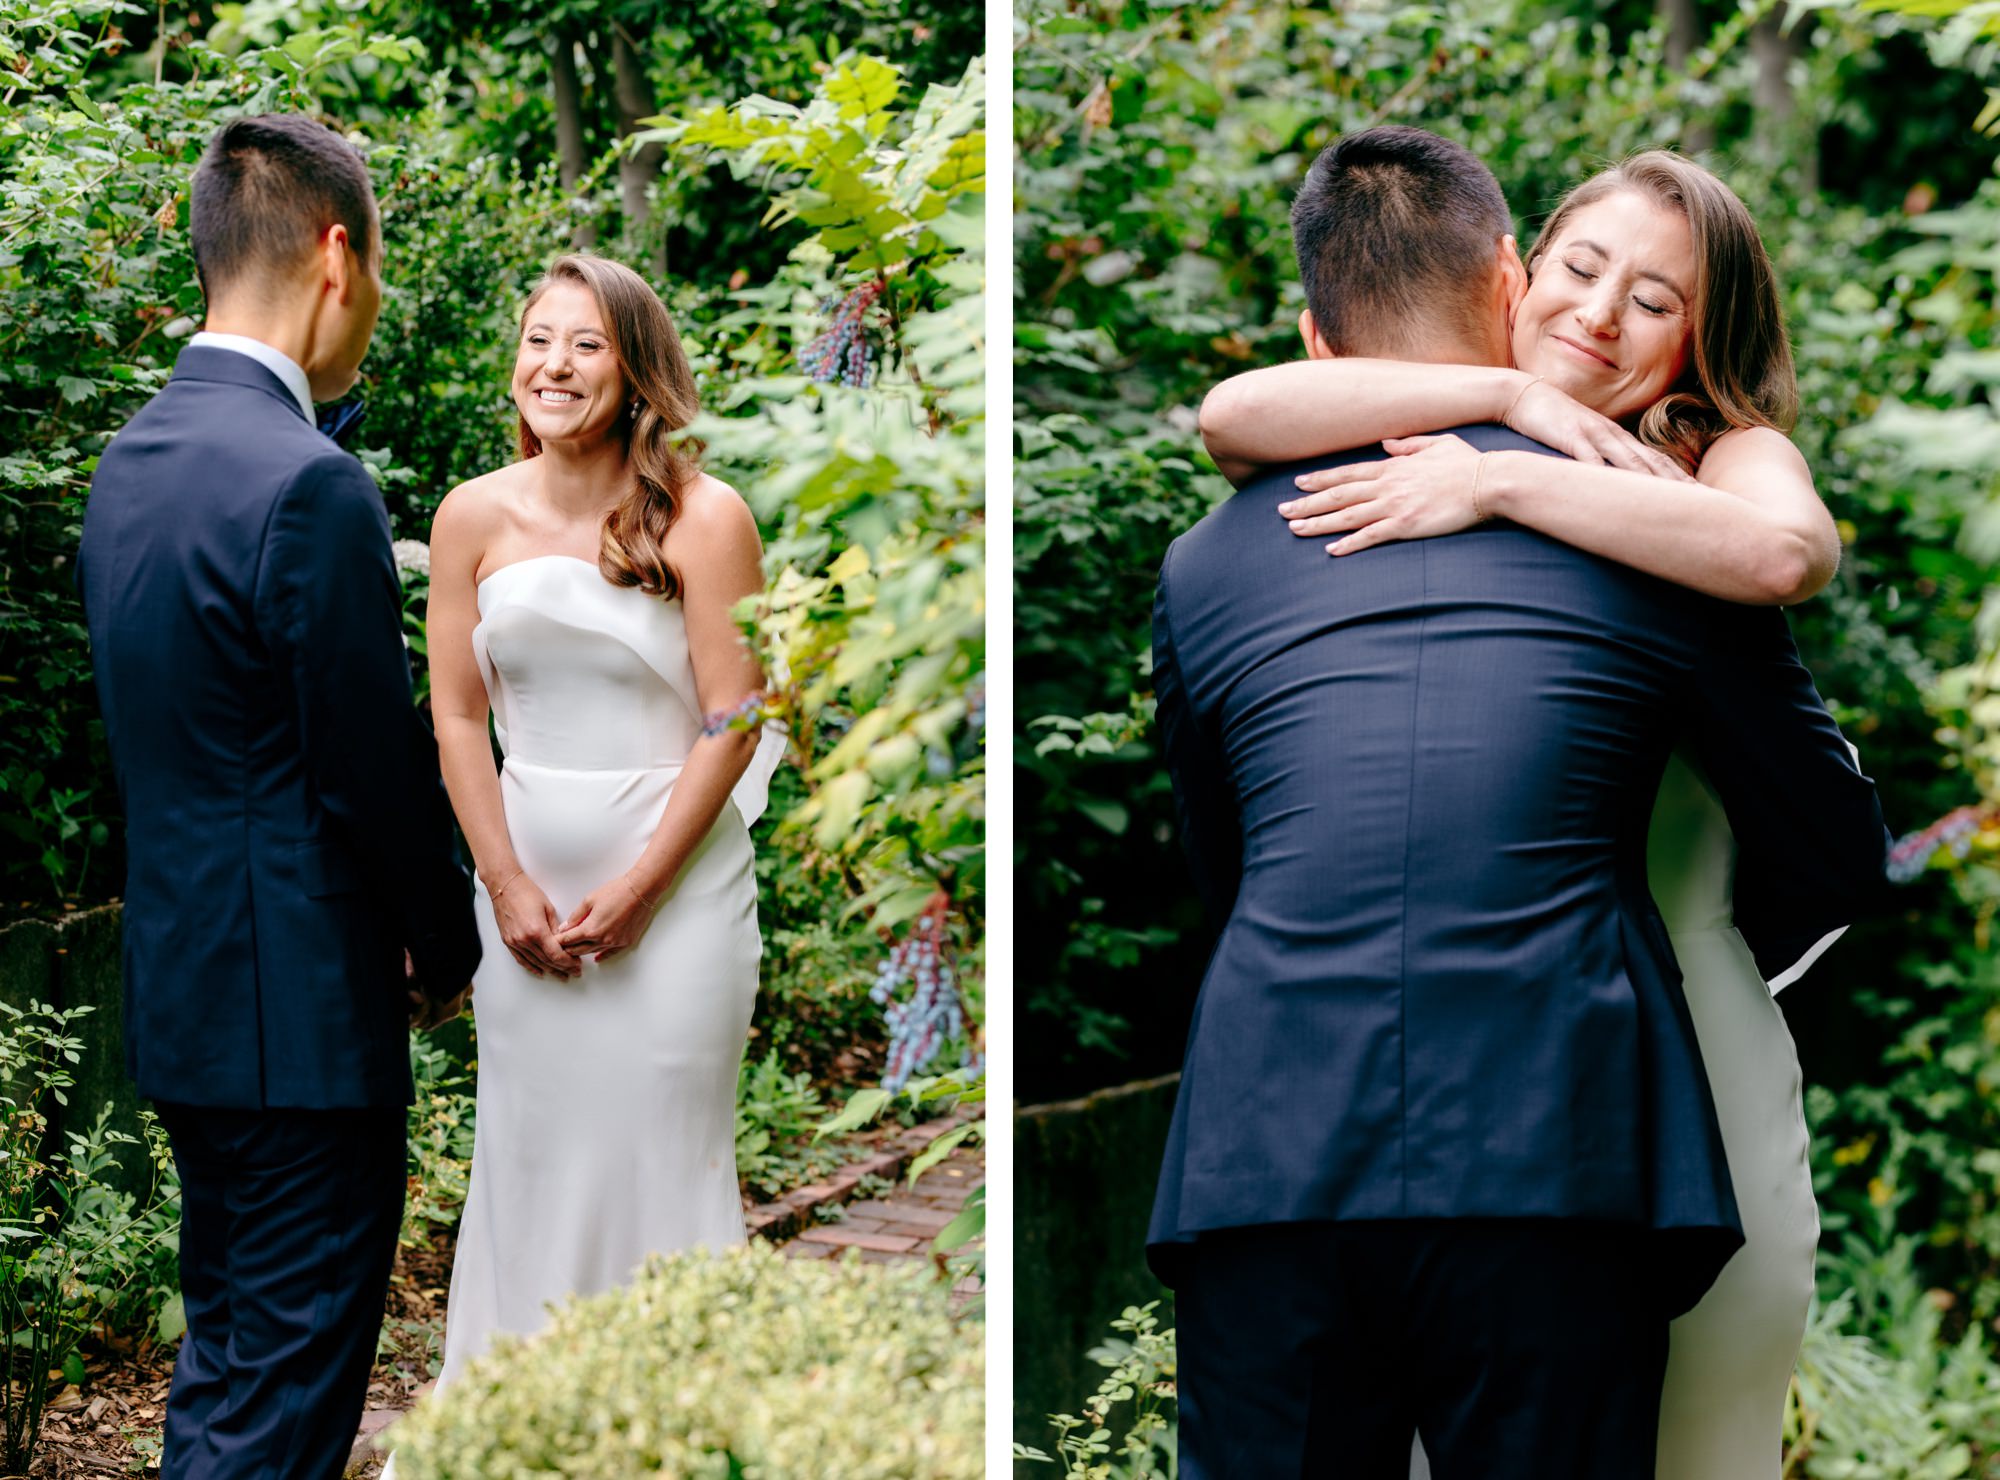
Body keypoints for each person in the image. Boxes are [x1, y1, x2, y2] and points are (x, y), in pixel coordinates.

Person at [1147, 124, 1891, 1480]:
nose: (1599, 315)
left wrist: (1501, 472)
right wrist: (1508, 417)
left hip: (1643, 1044)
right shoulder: (1379, 457)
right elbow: (1226, 414)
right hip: (1495, 1102)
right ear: (1514, 270)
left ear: (1702, 342)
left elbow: (1789, 578)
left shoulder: (1708, 479)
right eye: (1581, 266)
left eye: (1655, 299)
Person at [75, 114, 479, 1479]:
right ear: (335, 253)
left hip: (187, 1000)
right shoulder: (311, 485)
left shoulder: (126, 468)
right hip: (301, 1023)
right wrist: (448, 940)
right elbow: (367, 766)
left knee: (232, 1364)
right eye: (381, 265)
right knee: (281, 1412)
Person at [419, 253, 783, 1391]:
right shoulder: (470, 515)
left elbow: (735, 716)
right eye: (537, 339)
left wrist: (636, 893)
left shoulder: (706, 517)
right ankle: (516, 1427)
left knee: (657, 1164)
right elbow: (455, 711)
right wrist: (505, 885)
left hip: (675, 911)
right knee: (528, 1164)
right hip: (520, 910)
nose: (554, 365)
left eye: (585, 343)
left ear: (635, 372)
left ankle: (671, 1432)